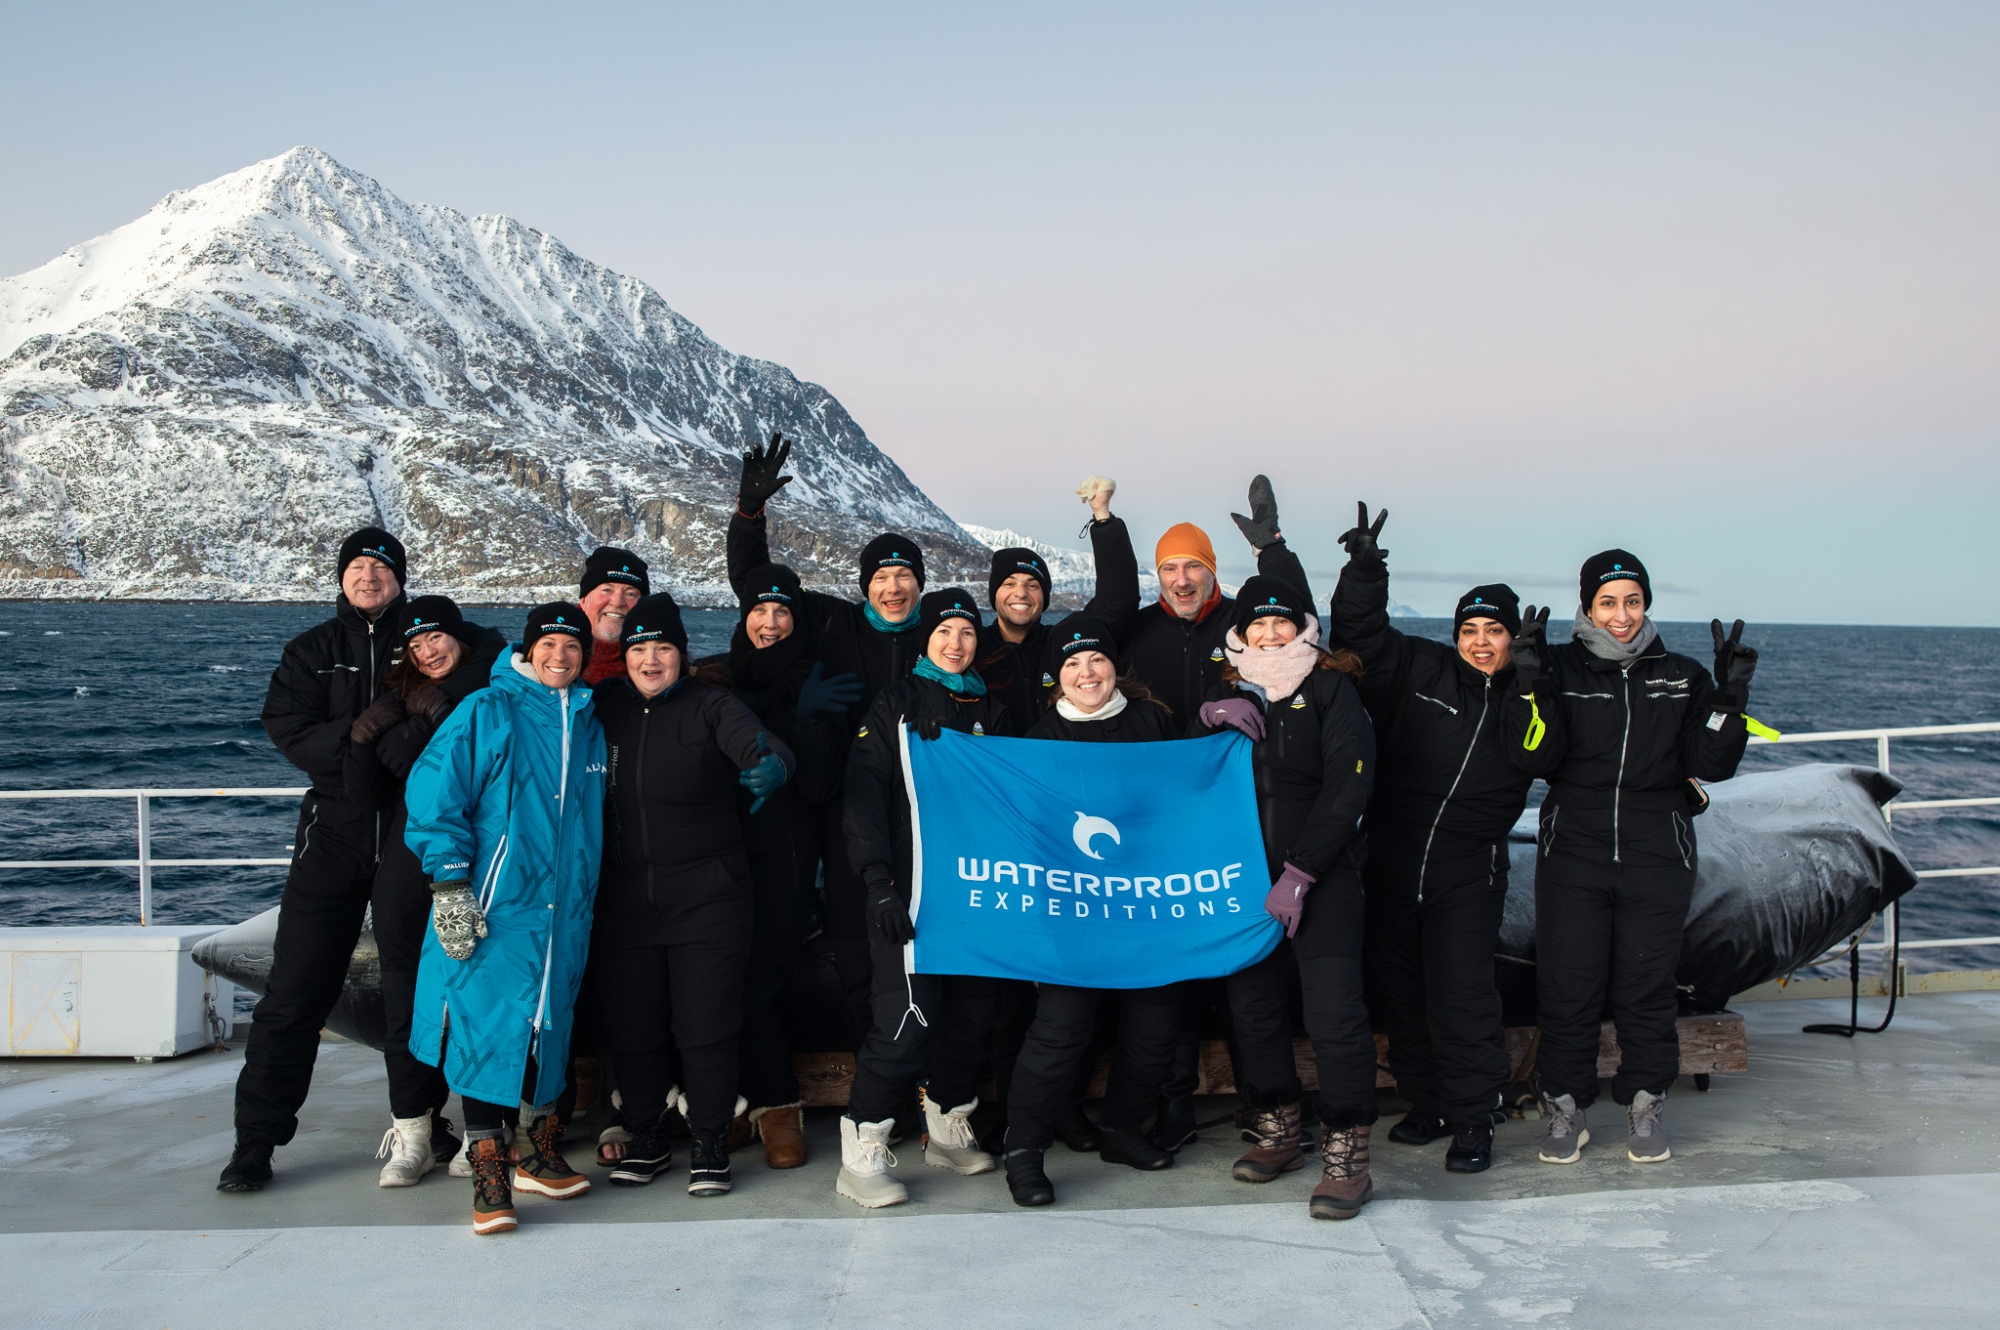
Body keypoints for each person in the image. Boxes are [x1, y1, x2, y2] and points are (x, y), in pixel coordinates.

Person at [1504, 550, 1756, 1166]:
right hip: (1574, 853)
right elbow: (1534, 758)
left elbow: (1712, 763)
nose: (1622, 615)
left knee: (1646, 987)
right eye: (1608, 602)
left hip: (1657, 853)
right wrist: (1530, 686)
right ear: (1588, 606)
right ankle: (1566, 1110)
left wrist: (1728, 700)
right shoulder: (1557, 667)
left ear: (1646, 603)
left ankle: (1646, 1105)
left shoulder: (1683, 675)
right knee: (1568, 987)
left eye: (1633, 601)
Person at [1326, 503, 1533, 1174]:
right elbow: (1361, 635)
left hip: (1468, 872)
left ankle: (1474, 1118)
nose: (1481, 642)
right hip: (1390, 857)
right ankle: (1428, 1102)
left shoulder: (1530, 695)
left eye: (1494, 631)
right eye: (1470, 629)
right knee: (1400, 994)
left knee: (1462, 998)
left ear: (1513, 637)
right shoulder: (1421, 668)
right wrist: (1364, 574)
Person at [1118, 476, 1315, 1154]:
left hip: (1241, 819)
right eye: (1169, 568)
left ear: (1210, 570)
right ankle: (1173, 1105)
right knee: (1171, 971)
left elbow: (1297, 621)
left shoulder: (1240, 623)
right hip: (1160, 823)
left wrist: (1274, 549)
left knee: (1247, 968)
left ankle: (1266, 1106)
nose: (1181, 579)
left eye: (1193, 566)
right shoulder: (1137, 630)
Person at [402, 602, 607, 1235]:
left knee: (549, 1021)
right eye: (548, 645)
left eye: (571, 647)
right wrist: (450, 884)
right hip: (497, 901)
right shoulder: (489, 709)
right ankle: (488, 1170)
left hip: (564, 907)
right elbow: (435, 794)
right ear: (527, 650)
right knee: (485, 1024)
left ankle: (538, 1154)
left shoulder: (588, 720)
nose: (559, 657)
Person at [218, 527, 412, 1193]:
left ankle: (421, 1123)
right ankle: (255, 1142)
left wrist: (409, 726)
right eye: (357, 567)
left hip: (412, 835)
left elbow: (472, 686)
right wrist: (362, 738)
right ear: (341, 577)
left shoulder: (427, 638)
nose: (368, 577)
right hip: (333, 835)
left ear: (399, 578)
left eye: (380, 567)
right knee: (295, 990)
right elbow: (290, 731)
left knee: (413, 991)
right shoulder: (311, 651)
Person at [728, 433, 934, 1047]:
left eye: (904, 576)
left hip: (911, 808)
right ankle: (859, 1059)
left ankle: (901, 1060)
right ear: (865, 585)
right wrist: (749, 514)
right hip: (833, 798)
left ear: (920, 585)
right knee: (843, 936)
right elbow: (758, 587)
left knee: (901, 935)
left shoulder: (940, 635)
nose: (893, 587)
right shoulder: (831, 620)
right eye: (882, 576)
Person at [590, 592, 795, 1197]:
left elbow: (762, 744)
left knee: (707, 1027)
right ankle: (647, 1135)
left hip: (708, 897)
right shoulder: (603, 708)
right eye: (640, 649)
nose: (651, 660)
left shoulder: (712, 706)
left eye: (664, 649)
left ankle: (709, 1139)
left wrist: (772, 765)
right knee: (634, 1028)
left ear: (681, 655)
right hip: (623, 900)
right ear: (625, 656)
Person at [1193, 575, 1378, 1221]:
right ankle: (1278, 1127)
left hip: (1321, 878)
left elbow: (1350, 786)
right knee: (1255, 1010)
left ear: (1304, 628)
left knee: (1334, 1013)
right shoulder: (1226, 688)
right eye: (1257, 624)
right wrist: (1205, 719)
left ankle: (1347, 1155)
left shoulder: (1330, 689)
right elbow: (1182, 773)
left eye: (1282, 622)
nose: (1270, 634)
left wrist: (1301, 872)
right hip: (1242, 880)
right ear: (1239, 634)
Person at [836, 588, 1015, 1208]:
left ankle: (945, 1125)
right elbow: (863, 790)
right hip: (909, 890)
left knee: (972, 1016)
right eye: (944, 631)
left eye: (967, 632)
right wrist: (877, 880)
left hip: (976, 888)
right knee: (907, 1016)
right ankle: (862, 1151)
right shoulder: (896, 702)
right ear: (926, 639)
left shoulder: (993, 708)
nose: (956, 643)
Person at [1000, 616, 1186, 1207]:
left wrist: (1222, 723)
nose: (1087, 673)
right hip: (1072, 909)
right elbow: (1024, 831)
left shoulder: (1151, 720)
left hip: (1145, 902)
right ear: (1057, 676)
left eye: (1097, 660)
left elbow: (1183, 796)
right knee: (1061, 1029)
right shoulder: (1040, 737)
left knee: (1154, 1025)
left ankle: (1122, 1131)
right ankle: (1024, 1151)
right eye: (1073, 663)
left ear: (1114, 667)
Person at [343, 596, 505, 1186]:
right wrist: (363, 741)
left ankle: (485, 1130)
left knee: (477, 995)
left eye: (436, 638)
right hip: (405, 865)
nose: (428, 651)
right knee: (405, 999)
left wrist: (432, 721)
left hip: (471, 861)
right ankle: (413, 1130)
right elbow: (365, 793)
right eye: (415, 645)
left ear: (459, 636)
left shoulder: (492, 688)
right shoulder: (400, 698)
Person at [699, 563, 855, 1168]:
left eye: (782, 611)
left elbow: (821, 786)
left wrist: (808, 722)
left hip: (786, 848)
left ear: (798, 619)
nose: (769, 622)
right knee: (716, 978)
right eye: (759, 611)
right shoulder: (720, 676)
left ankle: (779, 1108)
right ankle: (731, 1106)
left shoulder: (818, 676)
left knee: (762, 979)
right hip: (720, 846)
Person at [976, 476, 1139, 734]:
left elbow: (1117, 601)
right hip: (994, 760)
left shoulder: (1061, 644)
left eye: (1032, 585)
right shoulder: (973, 647)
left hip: (1060, 757)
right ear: (994, 594)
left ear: (1044, 597)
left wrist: (1102, 517)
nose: (1021, 593)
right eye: (1009, 584)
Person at [578, 546, 649, 687]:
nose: (617, 602)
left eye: (630, 594)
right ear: (584, 600)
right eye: (607, 590)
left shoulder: (662, 668)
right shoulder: (547, 660)